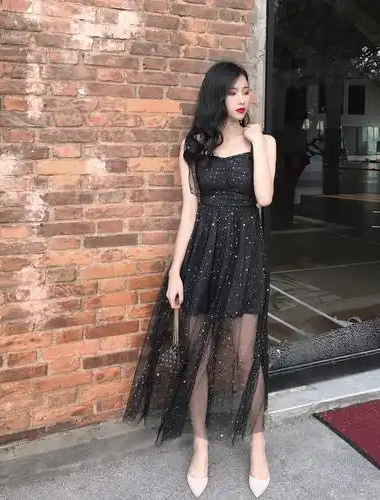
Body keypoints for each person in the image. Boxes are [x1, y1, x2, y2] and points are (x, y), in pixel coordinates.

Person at [124, 61, 277, 498]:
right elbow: (189, 210)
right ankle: (201, 446)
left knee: (246, 355)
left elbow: (264, 197)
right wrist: (175, 271)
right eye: (232, 92)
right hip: (201, 257)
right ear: (216, 96)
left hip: (246, 255)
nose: (242, 99)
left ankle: (258, 445)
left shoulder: (264, 141)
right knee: (198, 355)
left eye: (246, 91)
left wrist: (255, 142)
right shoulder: (193, 146)